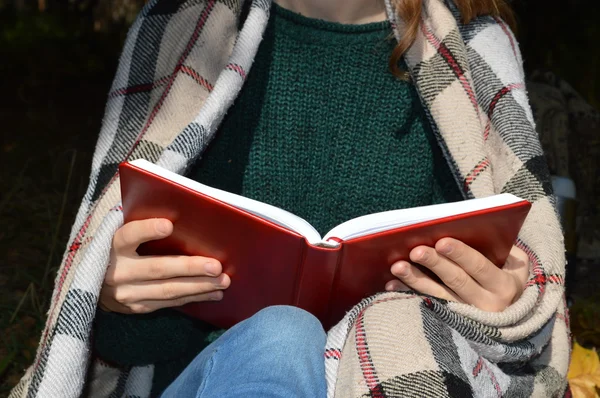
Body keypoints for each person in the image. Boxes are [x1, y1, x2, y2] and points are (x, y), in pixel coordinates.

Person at [10, 0, 569, 397]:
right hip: (207, 381)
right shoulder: (180, 28)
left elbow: (528, 306)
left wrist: (505, 309)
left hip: (396, 378)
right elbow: (101, 341)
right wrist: (112, 298)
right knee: (284, 335)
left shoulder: (474, 53)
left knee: (392, 337)